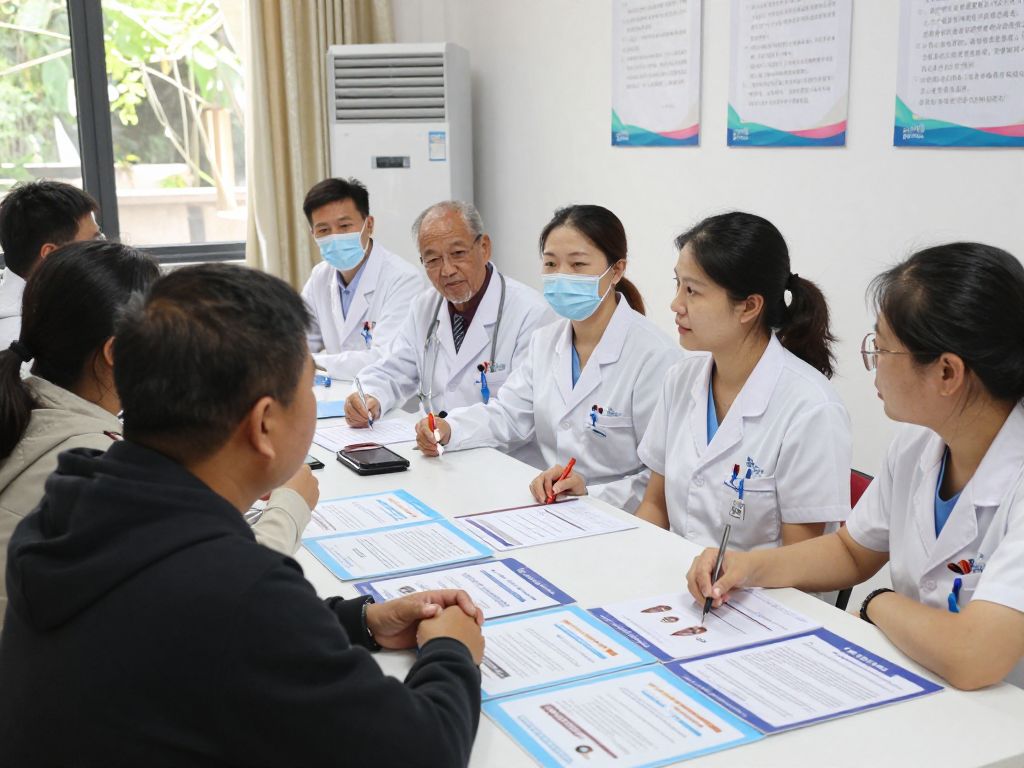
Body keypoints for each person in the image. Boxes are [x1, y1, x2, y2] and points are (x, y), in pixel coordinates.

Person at [0, 263, 486, 766]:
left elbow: (176, 625)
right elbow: (422, 751)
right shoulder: (236, 591)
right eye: (309, 389)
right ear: (263, 424)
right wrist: (451, 650)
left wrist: (360, 620)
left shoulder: (74, 497)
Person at [687, 242, 1024, 690]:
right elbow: (851, 550)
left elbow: (972, 656)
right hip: (923, 683)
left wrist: (877, 603)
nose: (873, 365)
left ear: (947, 373)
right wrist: (748, 568)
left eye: (883, 349)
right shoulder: (918, 444)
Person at [0, 242, 314, 630]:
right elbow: (216, 594)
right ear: (118, 351)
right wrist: (289, 507)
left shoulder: (25, 404)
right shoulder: (88, 463)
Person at [416, 205, 680, 512]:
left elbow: (660, 476)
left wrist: (593, 493)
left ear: (617, 270)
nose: (561, 276)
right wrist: (450, 430)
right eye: (551, 264)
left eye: (578, 264)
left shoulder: (655, 356)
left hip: (619, 516)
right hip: (551, 509)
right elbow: (508, 415)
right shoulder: (546, 341)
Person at [635, 212, 852, 551]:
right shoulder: (681, 379)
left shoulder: (812, 408)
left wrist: (730, 580)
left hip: (759, 597)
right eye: (677, 284)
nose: (676, 304)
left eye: (692, 290)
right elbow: (655, 505)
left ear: (749, 306)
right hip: (674, 586)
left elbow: (802, 563)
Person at [346, 200, 553, 427]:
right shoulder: (424, 307)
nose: (447, 270)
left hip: (502, 458)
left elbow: (518, 414)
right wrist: (368, 396)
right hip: (437, 450)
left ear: (484, 248)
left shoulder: (531, 313)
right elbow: (393, 371)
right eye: (433, 260)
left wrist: (453, 430)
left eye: (457, 253)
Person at [301, 177, 424, 379]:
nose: (335, 236)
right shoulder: (319, 277)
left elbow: (384, 359)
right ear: (313, 234)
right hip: (337, 396)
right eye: (324, 230)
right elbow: (297, 343)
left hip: (390, 403)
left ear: (369, 225)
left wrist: (310, 363)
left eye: (344, 226)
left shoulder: (403, 279)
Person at [0, 180, 103, 347]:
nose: (103, 251)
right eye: (94, 243)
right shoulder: (20, 340)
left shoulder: (52, 305)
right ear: (50, 255)